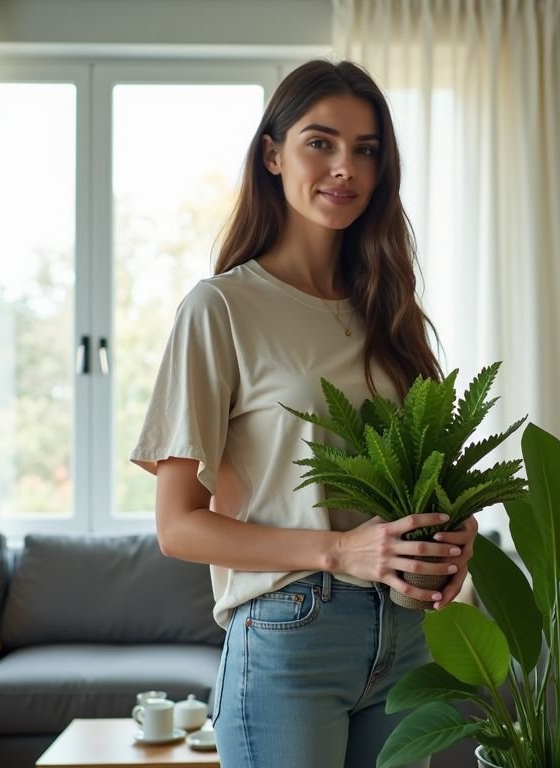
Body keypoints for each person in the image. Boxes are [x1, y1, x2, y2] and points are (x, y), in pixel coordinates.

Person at [130, 59, 475, 768]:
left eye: (366, 149)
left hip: (408, 639)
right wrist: (341, 551)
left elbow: (414, 474)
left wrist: (450, 531)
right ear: (272, 154)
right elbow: (178, 526)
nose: (344, 166)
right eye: (321, 142)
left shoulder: (391, 310)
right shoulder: (221, 308)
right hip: (292, 637)